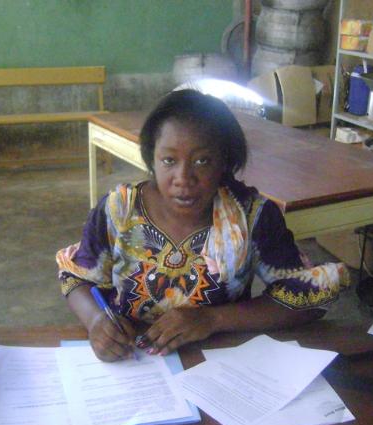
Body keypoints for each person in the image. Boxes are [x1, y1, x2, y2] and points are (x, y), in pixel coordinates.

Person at [56, 89, 348, 362]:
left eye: (202, 161)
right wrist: (96, 321)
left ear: (225, 162)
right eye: (169, 160)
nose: (183, 178)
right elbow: (76, 277)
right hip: (134, 360)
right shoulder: (118, 210)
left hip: (221, 361)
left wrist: (213, 319)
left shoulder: (252, 217)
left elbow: (307, 300)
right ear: (151, 158)